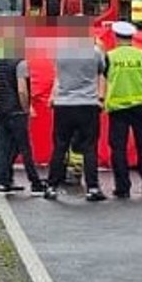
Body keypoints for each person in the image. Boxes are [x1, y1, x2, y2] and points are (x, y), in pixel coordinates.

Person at [44, 28, 107, 202]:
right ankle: (93, 188)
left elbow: (58, 76)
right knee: (89, 147)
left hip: (63, 105)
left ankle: (51, 186)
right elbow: (102, 71)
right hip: (87, 104)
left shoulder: (61, 53)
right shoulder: (95, 53)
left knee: (60, 146)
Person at [103, 21, 142, 198]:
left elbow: (105, 76)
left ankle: (122, 187)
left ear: (116, 36)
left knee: (118, 148)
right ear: (132, 37)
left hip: (118, 107)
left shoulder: (109, 57)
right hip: (141, 105)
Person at [0, 47, 45, 193]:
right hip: (17, 110)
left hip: (1, 109)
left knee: (2, 147)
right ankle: (35, 182)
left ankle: (2, 182)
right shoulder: (20, 64)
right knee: (25, 148)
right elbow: (22, 90)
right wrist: (26, 108)